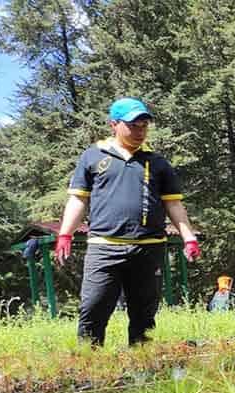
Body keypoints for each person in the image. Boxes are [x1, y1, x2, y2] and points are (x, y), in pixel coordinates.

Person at [56, 97, 200, 346]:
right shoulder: (93, 156)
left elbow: (173, 204)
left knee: (144, 316)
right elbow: (78, 199)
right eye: (133, 125)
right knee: (93, 308)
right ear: (114, 124)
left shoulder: (157, 163)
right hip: (104, 247)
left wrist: (189, 237)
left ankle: (142, 370)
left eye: (144, 125)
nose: (139, 131)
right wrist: (65, 234)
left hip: (149, 248)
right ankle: (89, 365)